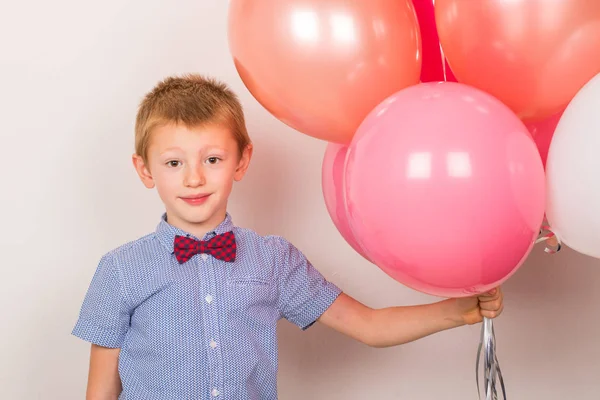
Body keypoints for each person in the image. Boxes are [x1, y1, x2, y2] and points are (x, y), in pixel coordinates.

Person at [72, 74, 504, 400]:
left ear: (242, 161)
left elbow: (369, 326)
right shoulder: (121, 270)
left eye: (213, 158)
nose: (195, 178)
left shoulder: (272, 260)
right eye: (173, 163)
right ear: (145, 170)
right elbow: (101, 391)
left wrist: (456, 311)